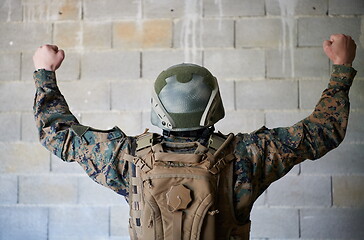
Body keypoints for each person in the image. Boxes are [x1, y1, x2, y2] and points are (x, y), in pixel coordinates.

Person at [33, 34, 356, 240]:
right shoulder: (250, 154)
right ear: (216, 105)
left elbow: (57, 133)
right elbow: (322, 131)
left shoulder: (124, 156)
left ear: (156, 108)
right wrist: (342, 67)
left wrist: (45, 73)